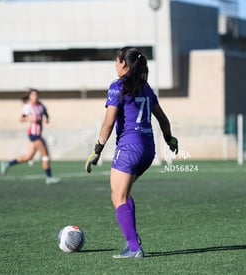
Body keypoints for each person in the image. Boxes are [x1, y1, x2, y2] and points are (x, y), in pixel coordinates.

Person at [85, 47, 178, 258]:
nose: (115, 65)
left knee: (117, 196)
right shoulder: (145, 88)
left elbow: (108, 123)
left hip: (129, 148)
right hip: (148, 149)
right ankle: (133, 242)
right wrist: (170, 139)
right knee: (124, 194)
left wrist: (96, 150)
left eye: (117, 62)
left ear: (124, 64)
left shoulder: (118, 87)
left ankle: (134, 248)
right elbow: (163, 120)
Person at [1, 88, 61, 185]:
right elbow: (21, 119)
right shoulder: (28, 107)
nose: (35, 96)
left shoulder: (41, 106)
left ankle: (7, 164)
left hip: (38, 134)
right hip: (34, 135)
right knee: (45, 155)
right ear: (29, 97)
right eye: (33, 95)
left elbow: (46, 113)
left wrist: (46, 119)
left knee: (28, 157)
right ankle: (49, 177)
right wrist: (29, 118)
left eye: (36, 95)